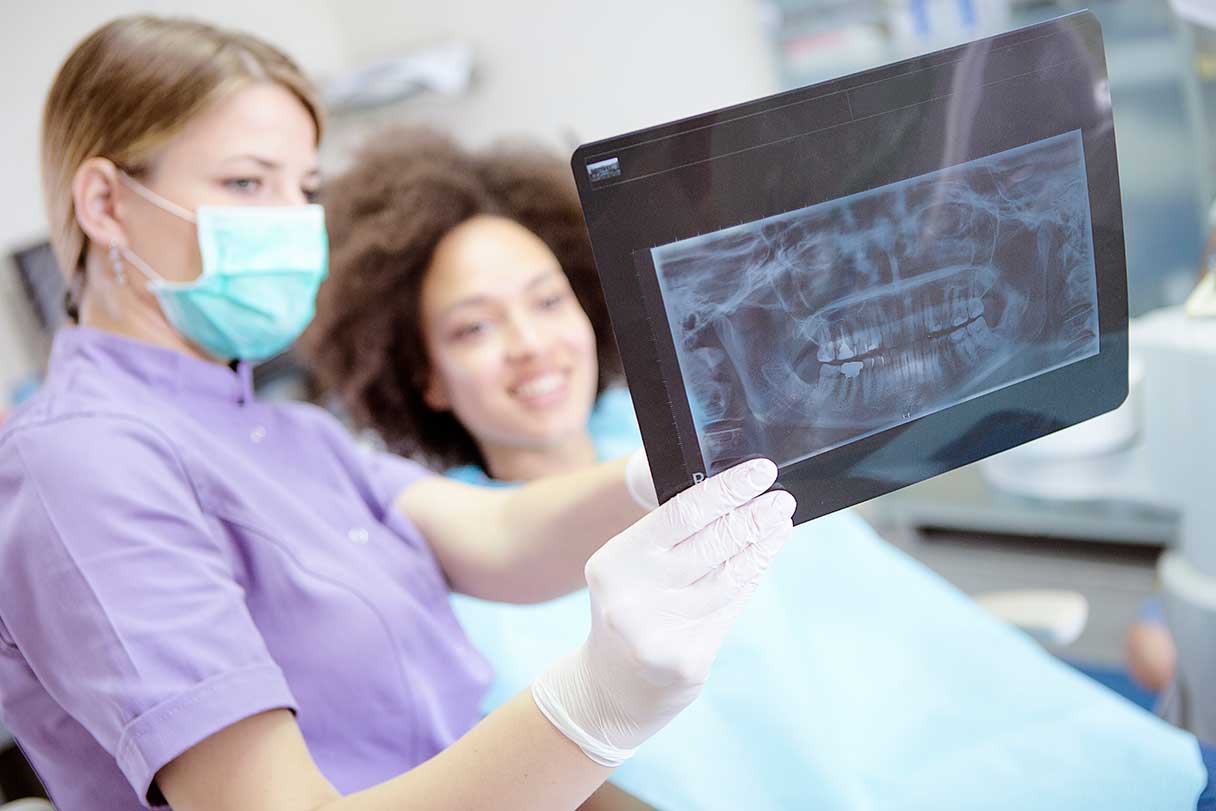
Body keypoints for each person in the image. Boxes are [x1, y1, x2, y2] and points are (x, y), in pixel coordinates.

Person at [0, 17, 798, 811]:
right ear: (105, 202)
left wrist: (667, 469)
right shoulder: (80, 462)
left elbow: (500, 533)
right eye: (247, 183)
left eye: (302, 189)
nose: (289, 219)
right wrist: (593, 706)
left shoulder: (285, 431)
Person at [305, 127, 1211, 811]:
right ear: (420, 372)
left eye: (547, 300)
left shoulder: (701, 417)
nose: (531, 344)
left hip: (1002, 750)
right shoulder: (463, 566)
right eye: (474, 326)